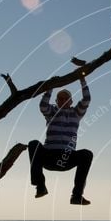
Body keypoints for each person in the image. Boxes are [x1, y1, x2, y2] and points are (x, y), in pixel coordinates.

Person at [28, 73, 93, 205]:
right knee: (33, 144)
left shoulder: (76, 113)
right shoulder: (51, 112)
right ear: (57, 101)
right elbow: (43, 106)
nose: (63, 100)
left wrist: (82, 79)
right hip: (49, 157)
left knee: (86, 154)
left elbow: (86, 99)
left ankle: (76, 196)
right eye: (60, 99)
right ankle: (40, 185)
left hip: (66, 158)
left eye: (66, 98)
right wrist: (51, 86)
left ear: (71, 101)